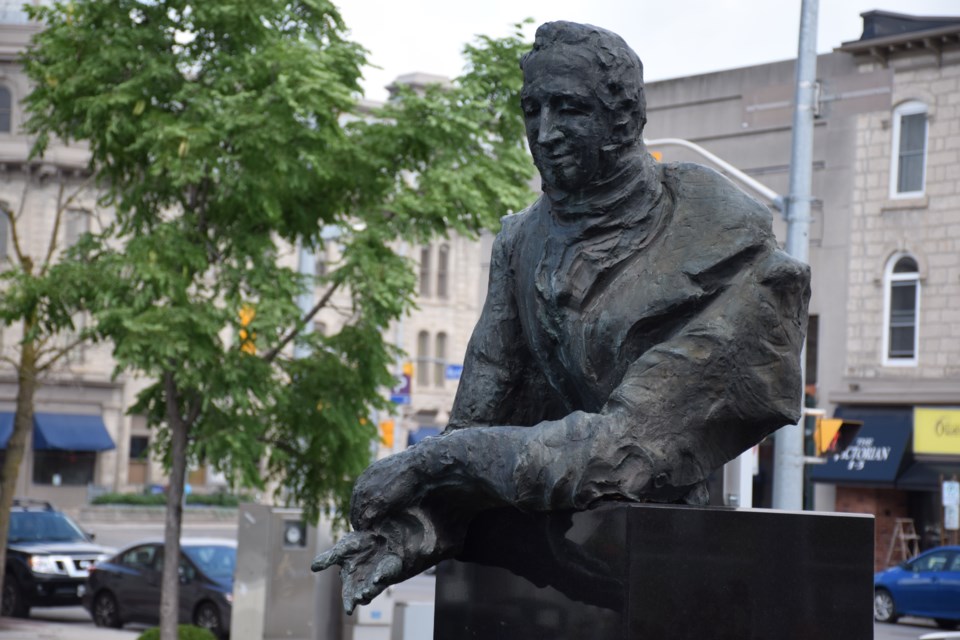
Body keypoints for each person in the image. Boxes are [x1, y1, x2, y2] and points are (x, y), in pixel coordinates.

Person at [313, 21, 810, 613]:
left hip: (672, 548)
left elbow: (621, 451)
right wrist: (420, 527)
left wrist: (432, 463)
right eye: (533, 109)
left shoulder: (735, 256)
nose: (545, 133)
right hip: (583, 558)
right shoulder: (520, 242)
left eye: (569, 109)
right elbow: (478, 426)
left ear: (624, 119)